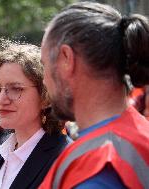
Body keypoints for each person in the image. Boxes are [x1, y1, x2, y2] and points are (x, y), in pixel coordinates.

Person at [39, 2, 149, 188]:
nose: (44, 80)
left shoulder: (95, 165)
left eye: (44, 66)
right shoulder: (138, 134)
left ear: (67, 59)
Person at [0, 40, 71, 189]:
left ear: (46, 97)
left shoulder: (63, 159)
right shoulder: (5, 152)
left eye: (16, 89)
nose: (2, 99)